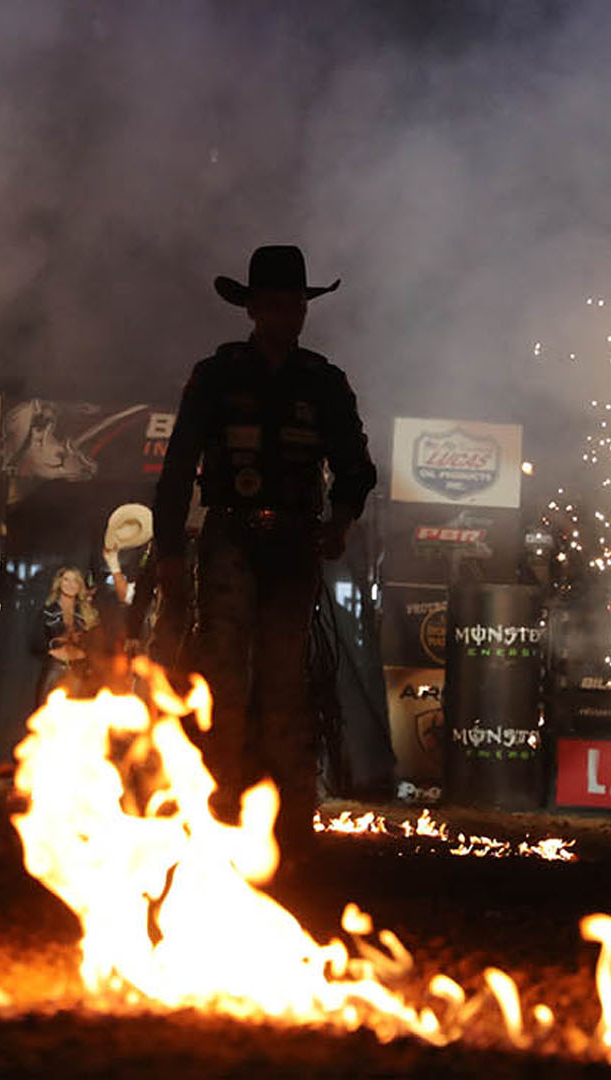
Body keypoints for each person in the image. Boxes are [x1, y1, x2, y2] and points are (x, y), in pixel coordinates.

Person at [151, 245, 377, 861]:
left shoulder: (323, 382)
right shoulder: (217, 374)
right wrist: (169, 552)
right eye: (274, 303)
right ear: (253, 309)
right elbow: (178, 467)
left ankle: (288, 821)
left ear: (303, 309)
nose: (286, 314)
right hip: (230, 533)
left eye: (294, 304)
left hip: (294, 541)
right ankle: (217, 806)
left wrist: (341, 521)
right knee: (222, 673)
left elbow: (356, 467)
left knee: (284, 677)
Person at [33, 566, 102, 704]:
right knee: (47, 711)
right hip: (55, 667)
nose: (70, 584)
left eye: (75, 580)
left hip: (79, 669)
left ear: (80, 585)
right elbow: (35, 642)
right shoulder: (47, 611)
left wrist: (83, 652)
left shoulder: (88, 613)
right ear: (59, 583)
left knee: (77, 712)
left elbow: (97, 643)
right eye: (66, 579)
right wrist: (53, 650)